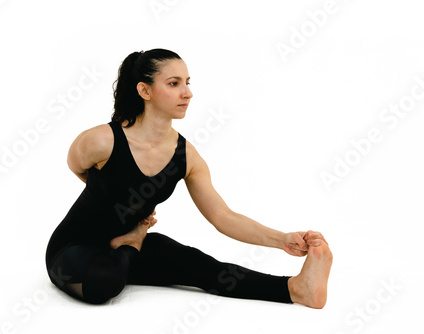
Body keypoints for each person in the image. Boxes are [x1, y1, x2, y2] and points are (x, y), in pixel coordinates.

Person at [45, 48, 333, 308]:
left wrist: (283, 239)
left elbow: (223, 217)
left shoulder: (187, 157)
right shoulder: (101, 141)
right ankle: (130, 245)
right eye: (174, 84)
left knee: (201, 266)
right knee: (103, 284)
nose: (188, 93)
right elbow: (76, 166)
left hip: (135, 247)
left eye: (187, 82)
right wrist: (131, 228)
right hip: (73, 248)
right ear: (144, 91)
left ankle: (297, 289)